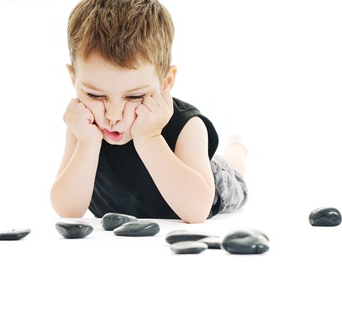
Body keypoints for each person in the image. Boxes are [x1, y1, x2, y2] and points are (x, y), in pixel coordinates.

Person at [50, 0, 248, 223]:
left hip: (208, 180)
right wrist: (87, 144)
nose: (113, 116)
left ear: (166, 82)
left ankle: (237, 149)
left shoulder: (188, 126)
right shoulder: (84, 126)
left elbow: (196, 211)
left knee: (232, 169)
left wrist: (149, 138)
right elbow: (67, 210)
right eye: (96, 95)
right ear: (74, 79)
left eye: (134, 97)